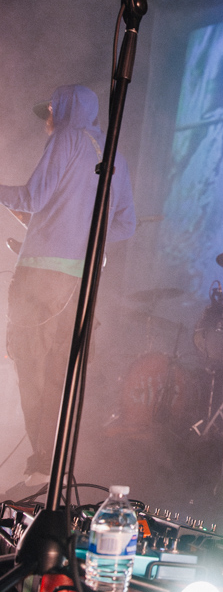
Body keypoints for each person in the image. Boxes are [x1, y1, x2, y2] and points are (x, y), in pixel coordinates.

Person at [0, 84, 136, 493]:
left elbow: (33, 196)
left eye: (51, 110)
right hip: (80, 284)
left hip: (40, 279)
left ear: (64, 112)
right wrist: (80, 238)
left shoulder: (66, 138)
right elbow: (125, 224)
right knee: (61, 377)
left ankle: (40, 467)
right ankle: (50, 469)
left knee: (29, 370)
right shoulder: (114, 156)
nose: (47, 120)